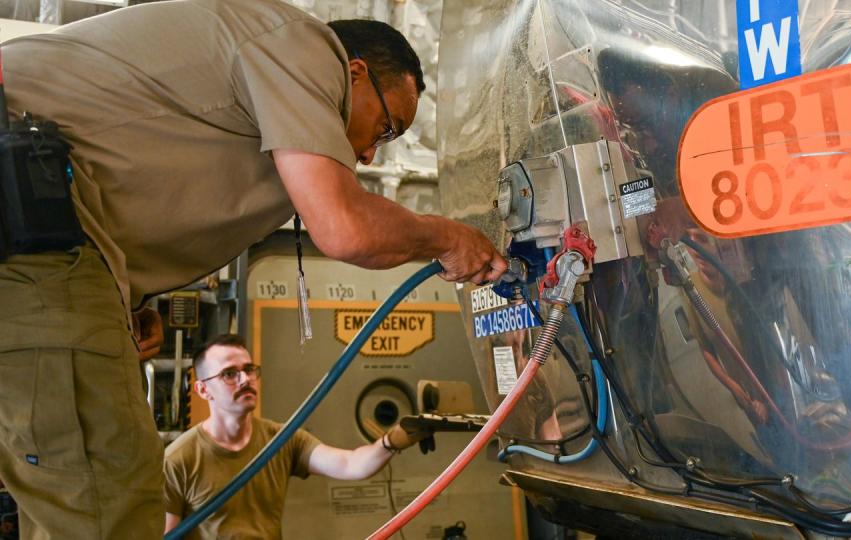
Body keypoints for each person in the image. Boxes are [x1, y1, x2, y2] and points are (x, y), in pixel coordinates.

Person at [0, 0, 506, 537]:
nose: (369, 157)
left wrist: (124, 294)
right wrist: (448, 238)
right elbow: (345, 228)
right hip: (31, 213)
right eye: (385, 127)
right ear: (353, 71)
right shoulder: (305, 46)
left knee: (69, 495)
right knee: (106, 502)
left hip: (44, 227)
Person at [163, 334, 429, 539]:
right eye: (229, 374)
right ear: (202, 389)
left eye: (249, 369)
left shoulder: (281, 439)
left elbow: (351, 465)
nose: (245, 379)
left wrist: (392, 441)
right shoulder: (178, 460)